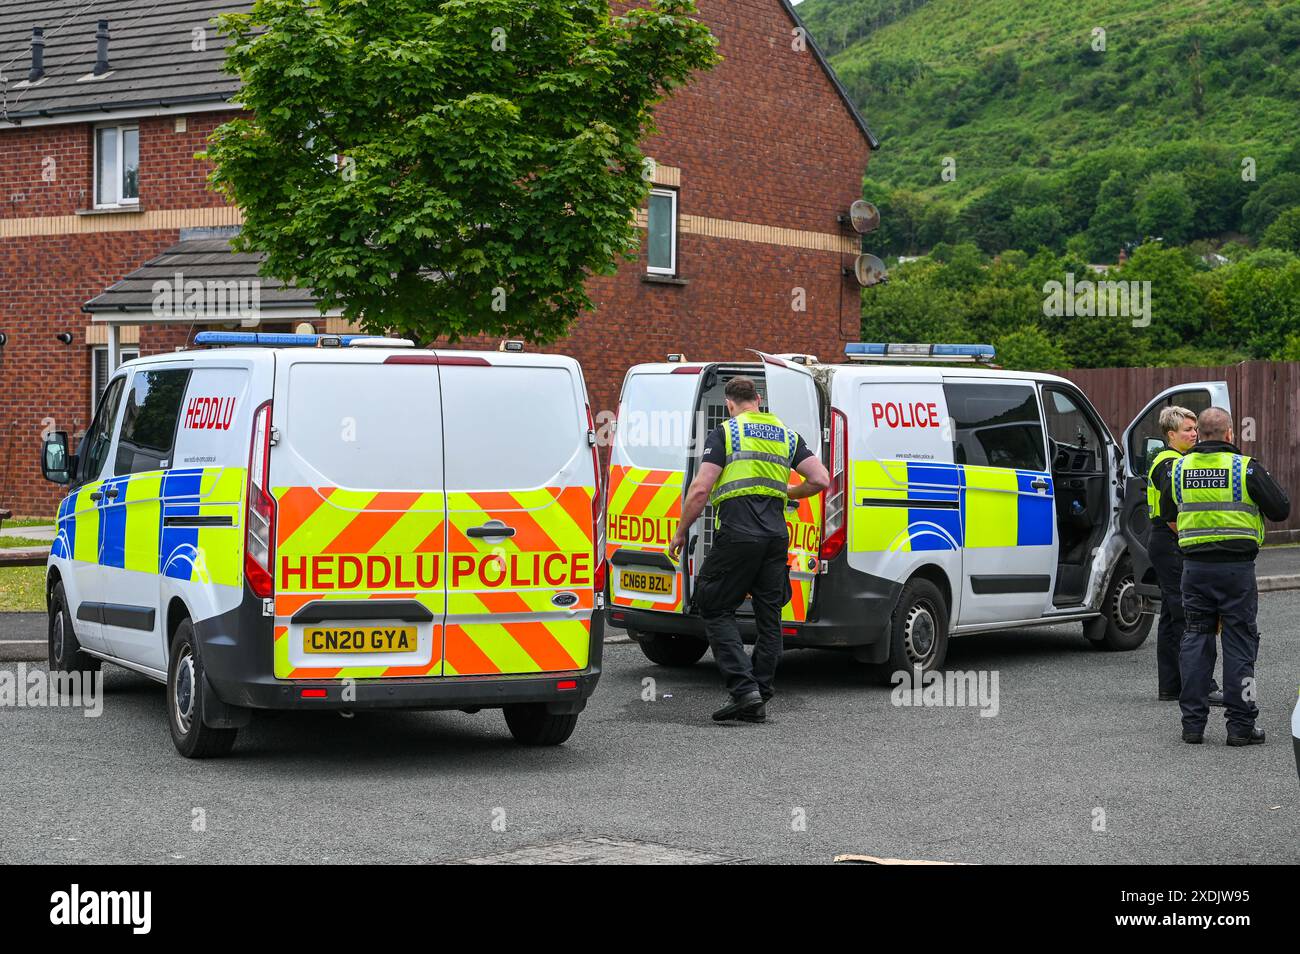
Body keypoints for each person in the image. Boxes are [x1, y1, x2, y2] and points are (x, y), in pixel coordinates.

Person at [668, 376, 830, 724]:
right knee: (769, 616)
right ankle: (760, 691)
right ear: (758, 399)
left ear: (729, 403)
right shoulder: (786, 435)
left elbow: (700, 490)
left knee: (714, 605)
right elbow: (821, 479)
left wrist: (681, 532)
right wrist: (788, 492)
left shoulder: (726, 432)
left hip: (738, 536)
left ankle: (744, 690)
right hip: (775, 537)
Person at [1161, 407, 1290, 745]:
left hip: (1194, 570)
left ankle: (1192, 726)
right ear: (1231, 434)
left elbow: (1167, 514)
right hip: (1236, 572)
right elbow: (1281, 509)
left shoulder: (1178, 469)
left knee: (1195, 642)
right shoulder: (1245, 468)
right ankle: (1241, 726)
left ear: (1199, 435)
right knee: (1240, 646)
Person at [1146, 406, 1222, 706]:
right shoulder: (1169, 464)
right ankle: (1202, 686)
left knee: (1169, 617)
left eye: (1195, 429)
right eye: (1188, 430)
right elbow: (1171, 514)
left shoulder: (1174, 461)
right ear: (1170, 435)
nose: (1194, 433)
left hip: (1163, 543)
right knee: (1188, 619)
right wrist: (1192, 541)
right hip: (1171, 541)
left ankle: (1171, 686)